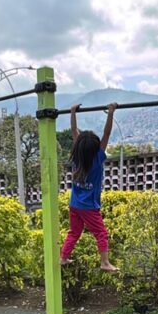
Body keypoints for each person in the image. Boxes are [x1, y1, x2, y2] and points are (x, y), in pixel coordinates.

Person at [60, 102, 119, 272]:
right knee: (101, 233)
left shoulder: (77, 157)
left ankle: (63, 258)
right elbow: (107, 133)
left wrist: (72, 112)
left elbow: (74, 132)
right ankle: (104, 262)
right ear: (95, 148)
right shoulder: (97, 158)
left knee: (74, 232)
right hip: (89, 207)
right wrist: (110, 112)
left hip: (74, 205)